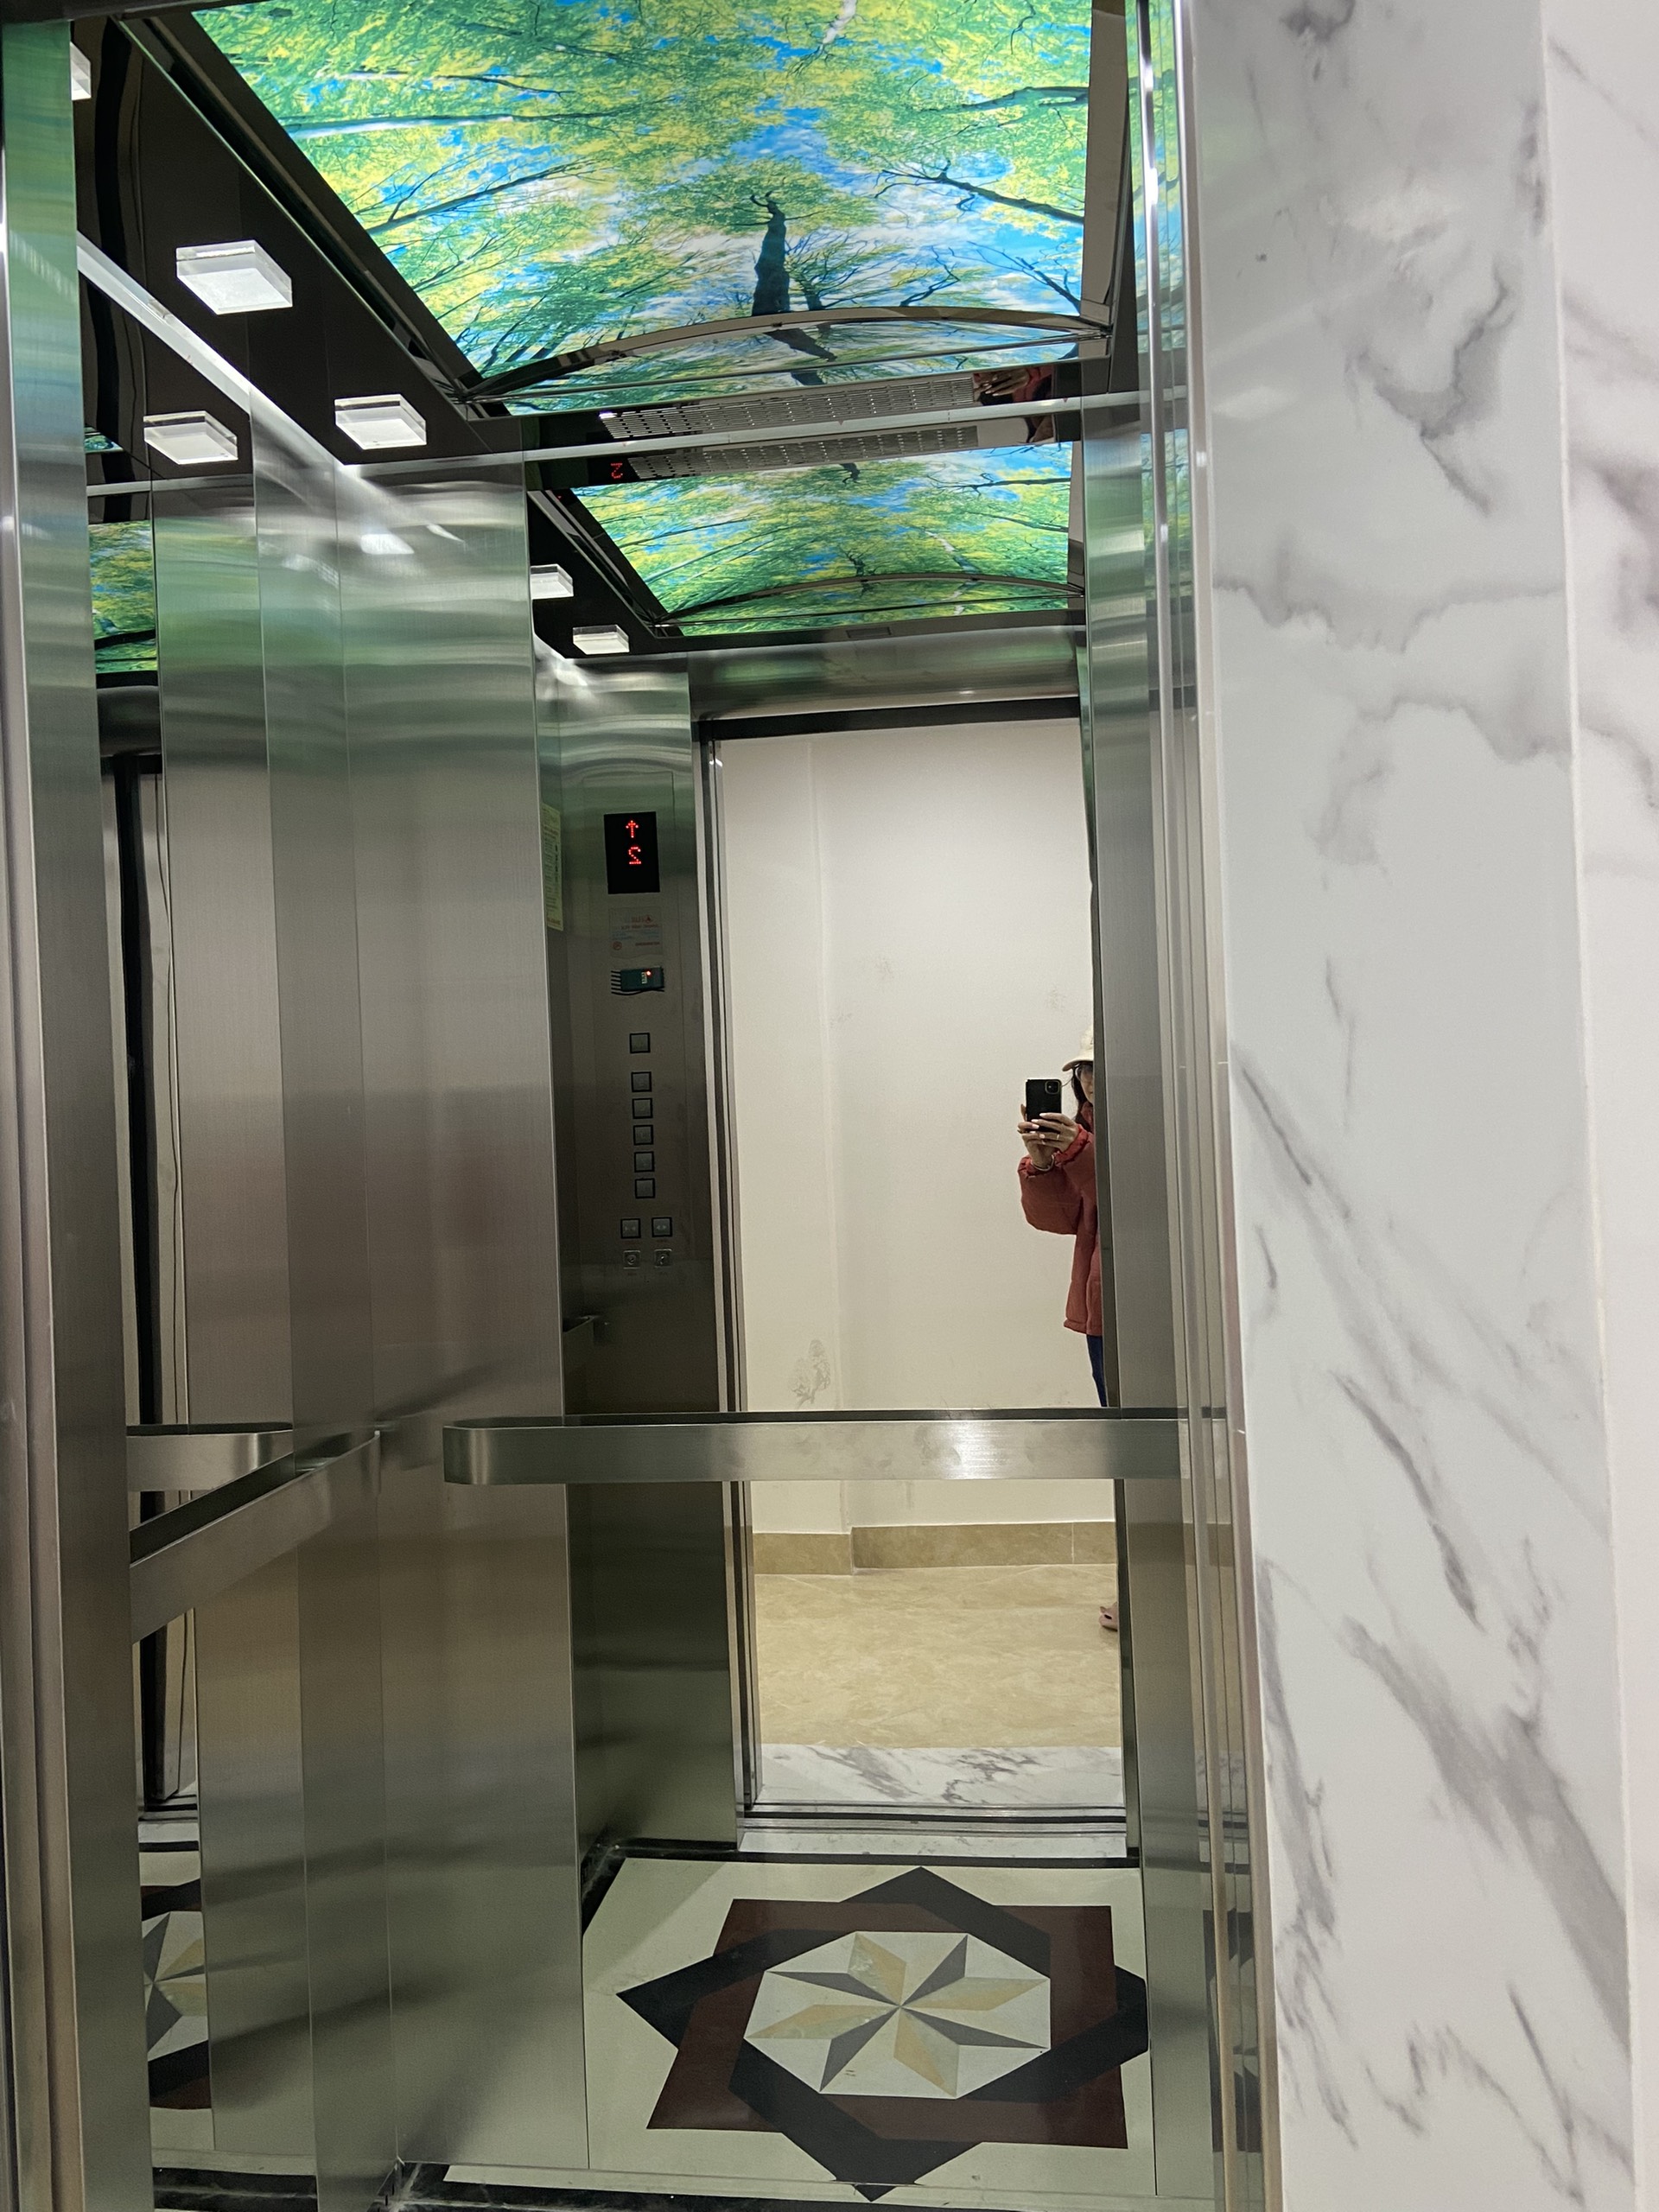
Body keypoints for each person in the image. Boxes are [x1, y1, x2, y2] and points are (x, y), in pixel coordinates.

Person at [1017, 1026, 1119, 1633]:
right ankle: (1141, 1579)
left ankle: (1163, 1579)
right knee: (1128, 1445)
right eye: (1083, 1070)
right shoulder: (1083, 1133)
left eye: (1099, 1066)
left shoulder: (1160, 1121)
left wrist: (1078, 1151)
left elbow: (1137, 1190)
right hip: (1105, 1308)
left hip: (1159, 1306)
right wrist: (1042, 1164)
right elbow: (1058, 1220)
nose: (1090, 1080)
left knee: (1158, 1444)